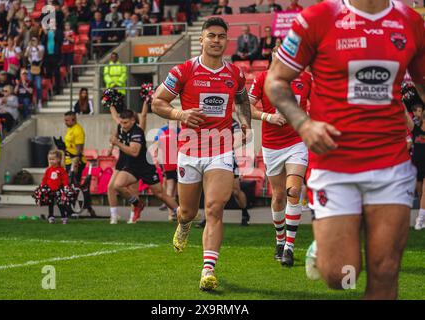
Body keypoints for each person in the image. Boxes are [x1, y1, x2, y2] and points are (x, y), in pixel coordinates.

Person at [264, 0, 425, 299]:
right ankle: (330, 244)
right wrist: (304, 123)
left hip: (391, 163)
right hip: (334, 164)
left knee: (386, 270)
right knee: (341, 275)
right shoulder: (317, 18)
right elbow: (275, 81)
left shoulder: (410, 21)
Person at [152, 17, 252, 291]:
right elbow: (157, 102)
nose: (217, 40)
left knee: (215, 208)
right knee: (187, 211)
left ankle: (208, 269)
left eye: (221, 36)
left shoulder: (235, 74)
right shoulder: (183, 70)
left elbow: (243, 100)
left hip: (220, 148)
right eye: (212, 36)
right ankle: (183, 225)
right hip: (189, 150)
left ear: (226, 40)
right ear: (202, 39)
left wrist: (245, 124)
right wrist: (179, 113)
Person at [250, 46, 311, 266]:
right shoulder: (262, 79)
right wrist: (268, 117)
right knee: (277, 196)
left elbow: (320, 104)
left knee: (293, 190)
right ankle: (279, 240)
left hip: (297, 142)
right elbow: (247, 107)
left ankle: (289, 248)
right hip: (272, 145)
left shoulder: (305, 78)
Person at [107, 109, 180, 225]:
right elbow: (115, 116)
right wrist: (111, 104)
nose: (123, 125)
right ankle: (138, 204)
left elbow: (134, 152)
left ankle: (181, 213)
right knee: (117, 185)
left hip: (145, 166)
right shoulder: (123, 127)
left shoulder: (137, 131)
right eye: (121, 123)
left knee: (160, 194)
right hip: (131, 166)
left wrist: (117, 143)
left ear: (132, 121)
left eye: (125, 123)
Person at [405, 106, 425, 230]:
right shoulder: (416, 130)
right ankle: (421, 215)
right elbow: (406, 117)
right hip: (416, 166)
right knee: (420, 193)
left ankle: (420, 219)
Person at [40, 149, 70, 224]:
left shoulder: (61, 170)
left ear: (58, 159)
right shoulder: (48, 170)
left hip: (58, 190)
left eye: (53, 159)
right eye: (50, 159)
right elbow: (45, 179)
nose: (51, 161)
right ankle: (51, 216)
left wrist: (66, 186)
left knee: (60, 204)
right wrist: (42, 186)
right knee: (50, 204)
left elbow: (65, 179)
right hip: (50, 190)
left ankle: (64, 217)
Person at [24, 36, 44, 110]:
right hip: (30, 67)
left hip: (37, 67)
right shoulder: (29, 47)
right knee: (29, 85)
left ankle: (39, 101)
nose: (33, 42)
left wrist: (36, 48)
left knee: (38, 86)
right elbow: (26, 55)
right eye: (32, 40)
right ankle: (31, 102)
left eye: (34, 40)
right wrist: (29, 47)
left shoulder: (41, 47)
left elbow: (40, 56)